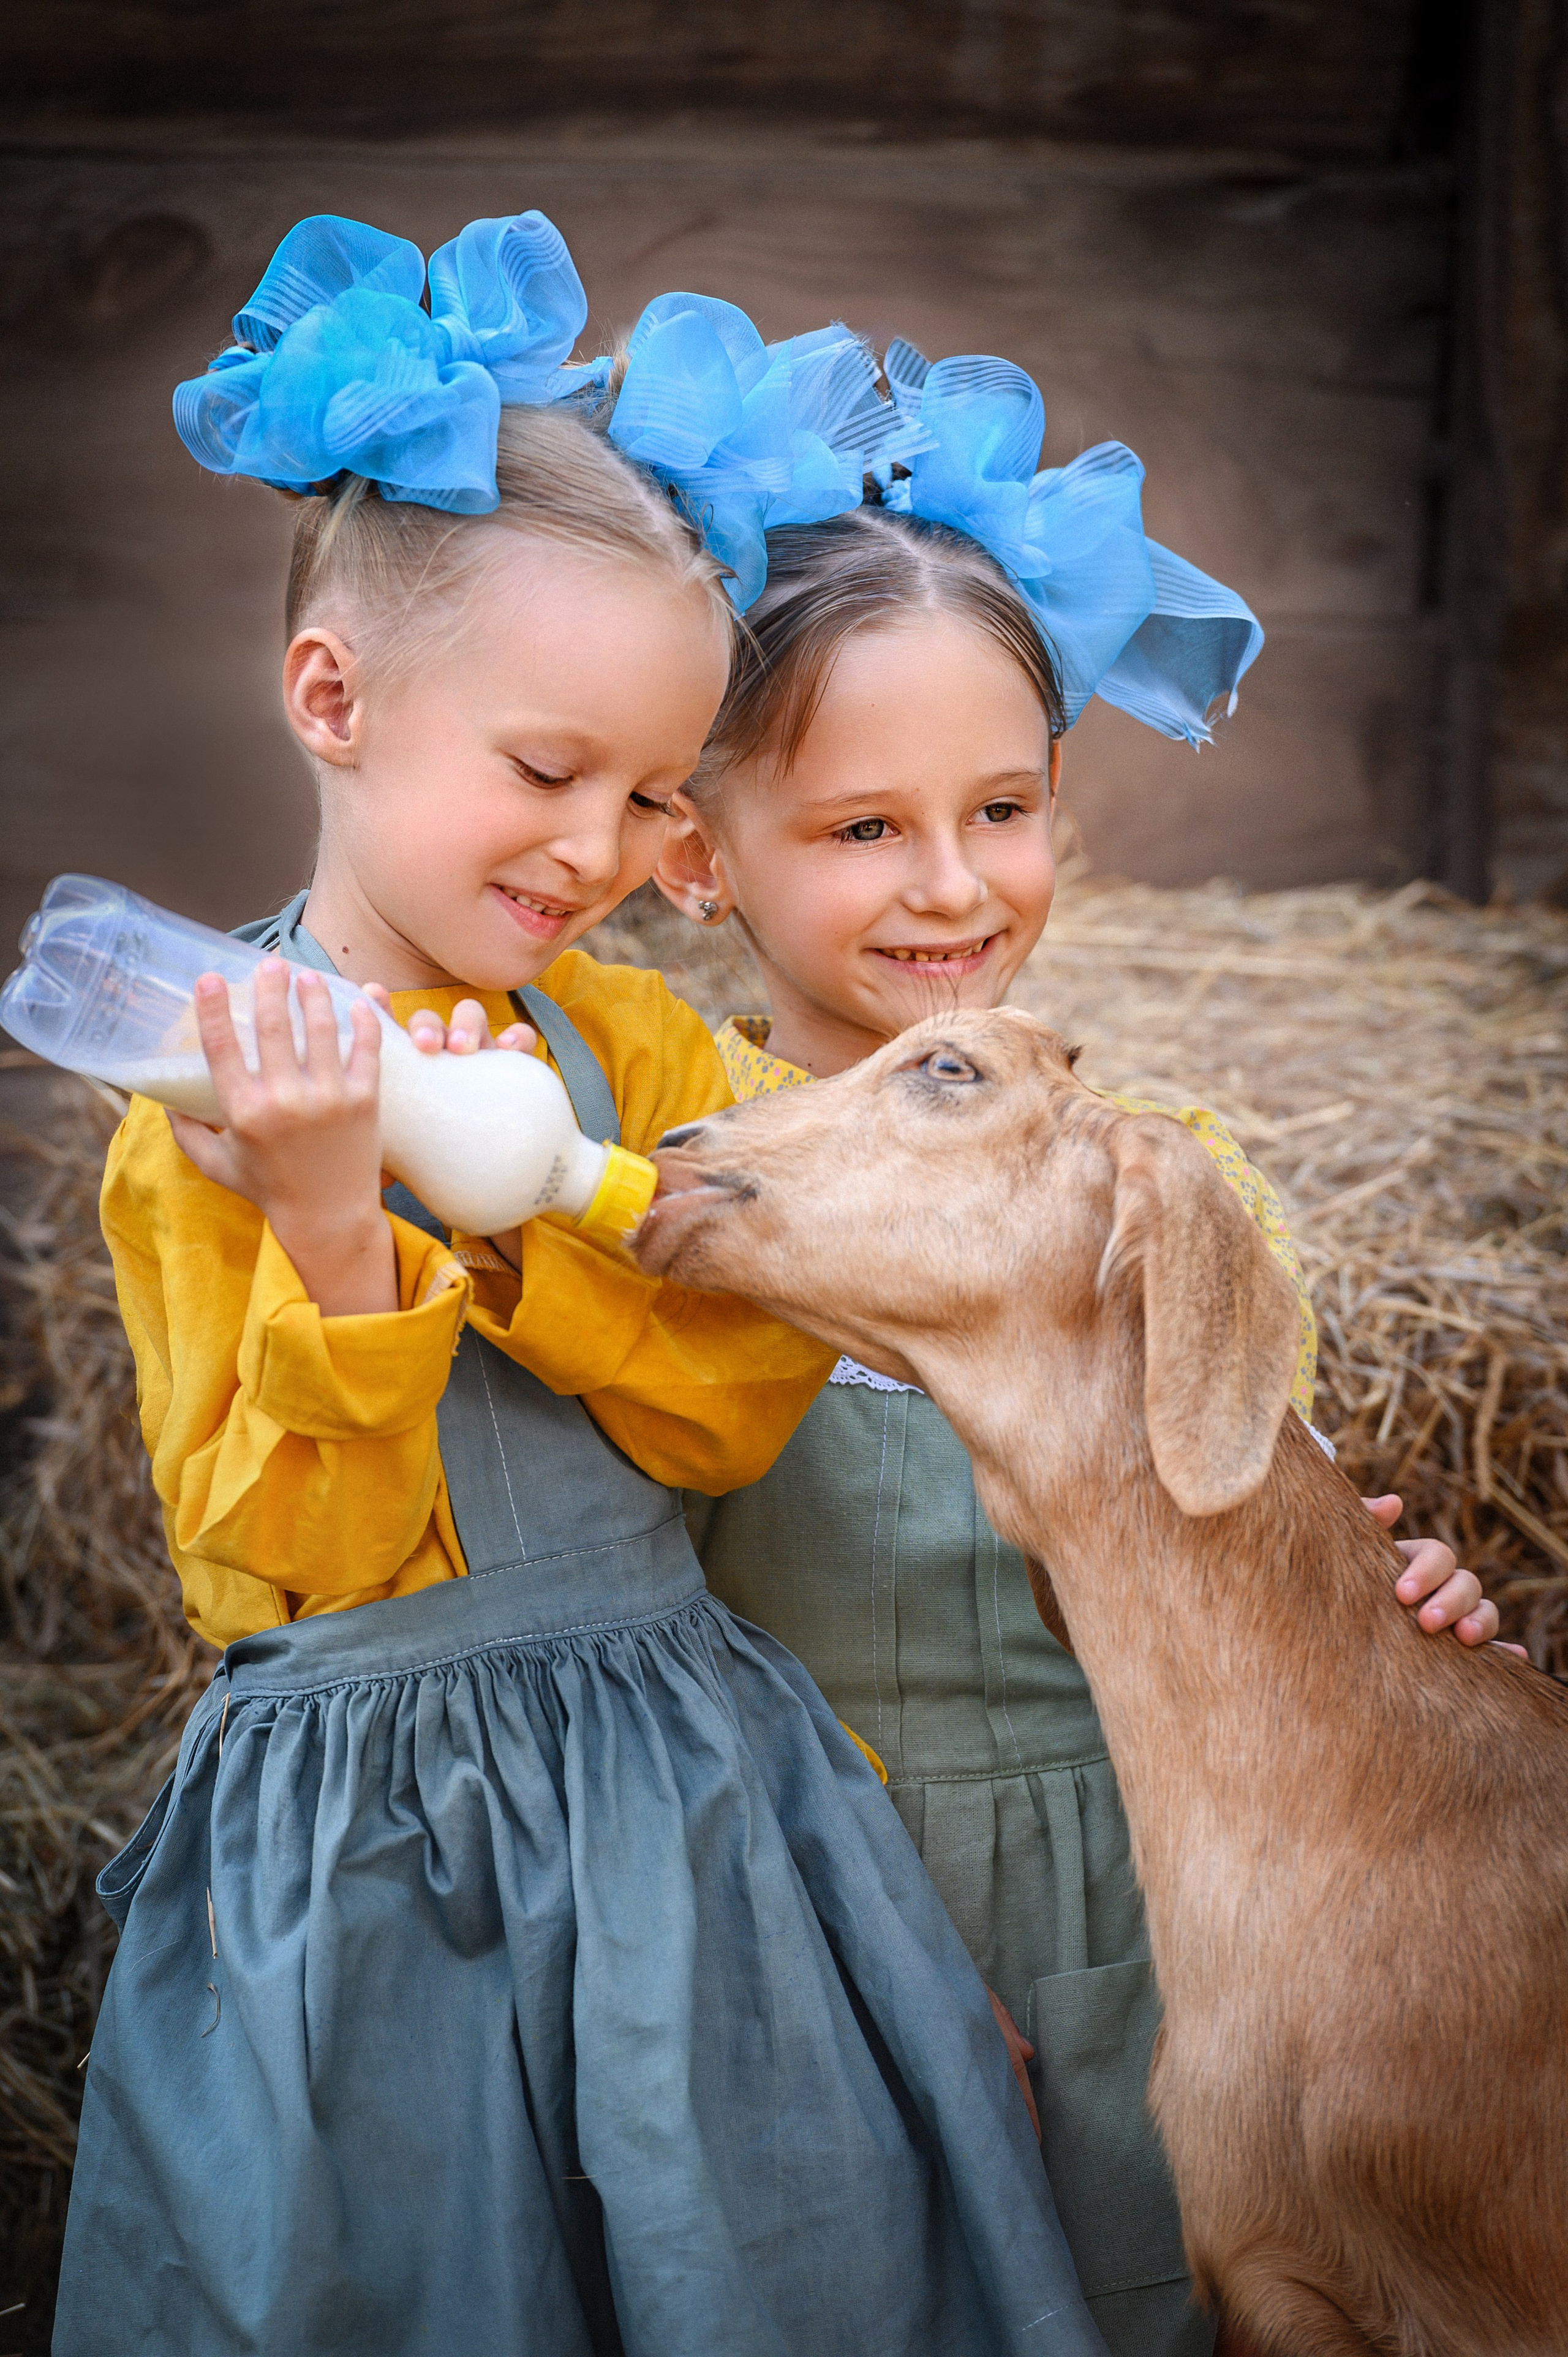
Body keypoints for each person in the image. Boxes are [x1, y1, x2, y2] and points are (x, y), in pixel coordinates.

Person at [55, 230, 1109, 2357]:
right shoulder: (206, 1097)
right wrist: (338, 1228)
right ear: (334, 698)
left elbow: (731, 1410)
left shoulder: (632, 1047)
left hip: (688, 1798)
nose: (601, 852)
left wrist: (529, 1198)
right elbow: (276, 1571)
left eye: (649, 798)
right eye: (549, 774)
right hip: (381, 1842)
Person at [652, 337, 1512, 2357]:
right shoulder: (669, 1186)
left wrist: (1401, 1621)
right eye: (864, 829)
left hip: (1147, 1931)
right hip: (814, 1921)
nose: (953, 884)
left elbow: (1250, 1512)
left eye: (1005, 807)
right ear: (695, 854)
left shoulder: (1157, 1188)